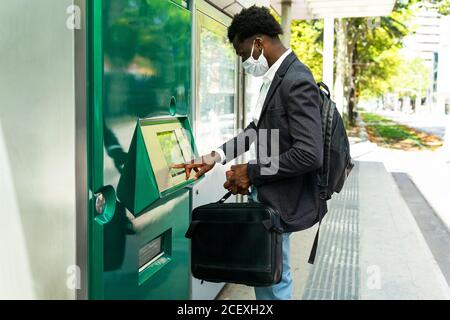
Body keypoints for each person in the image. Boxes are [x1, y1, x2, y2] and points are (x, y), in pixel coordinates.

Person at [173, 6, 325, 300]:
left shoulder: (296, 80)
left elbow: (310, 153)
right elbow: (256, 131)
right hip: (269, 195)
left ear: (258, 42)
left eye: (243, 54)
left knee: (274, 279)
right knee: (264, 274)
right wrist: (213, 158)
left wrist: (251, 172)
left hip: (281, 203)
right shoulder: (276, 78)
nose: (244, 61)